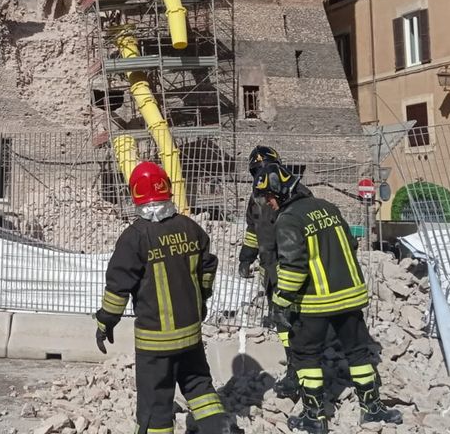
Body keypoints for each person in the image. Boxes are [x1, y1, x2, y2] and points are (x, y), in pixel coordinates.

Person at [253, 163, 402, 434]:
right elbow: (352, 244)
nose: (268, 203)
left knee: (306, 355)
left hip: (316, 302)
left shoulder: (289, 219)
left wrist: (281, 302)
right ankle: (372, 408)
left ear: (280, 192)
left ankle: (314, 416)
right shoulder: (327, 207)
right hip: (351, 295)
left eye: (269, 196)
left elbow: (294, 266)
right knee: (358, 351)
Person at [95, 161, 230, 434]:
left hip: (155, 343)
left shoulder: (135, 237)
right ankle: (218, 429)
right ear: (166, 187)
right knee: (199, 386)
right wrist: (201, 299)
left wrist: (105, 322)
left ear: (135, 193)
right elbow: (208, 268)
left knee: (156, 403)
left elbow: (117, 288)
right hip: (190, 334)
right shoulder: (191, 228)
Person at [236, 145, 298, 398]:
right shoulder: (256, 198)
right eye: (257, 170)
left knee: (297, 317)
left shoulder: (295, 194)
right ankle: (294, 365)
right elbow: (253, 231)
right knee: (282, 319)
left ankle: (302, 365)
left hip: (294, 264)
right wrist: (246, 257)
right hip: (271, 266)